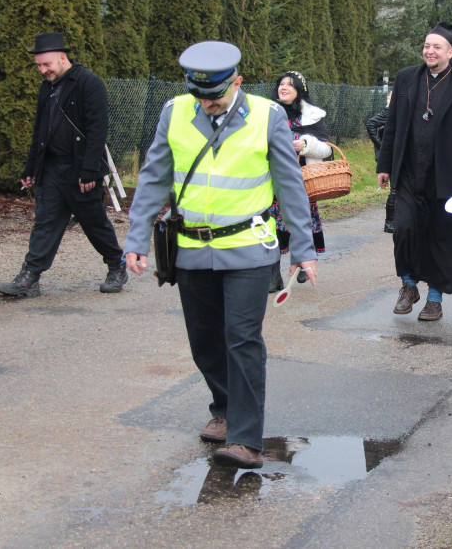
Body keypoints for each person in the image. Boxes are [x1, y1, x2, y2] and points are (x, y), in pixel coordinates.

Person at [123, 41, 318, 469]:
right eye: (201, 96)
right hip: (191, 249)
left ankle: (246, 439)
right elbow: (154, 177)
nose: (209, 104)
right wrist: (136, 238)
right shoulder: (174, 111)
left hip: (249, 248)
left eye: (217, 96)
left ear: (237, 81)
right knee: (205, 341)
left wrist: (303, 249)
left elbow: (289, 186)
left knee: (242, 338)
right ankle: (224, 408)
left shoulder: (269, 115)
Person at [0, 32, 126, 298]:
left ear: (62, 58)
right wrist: (31, 167)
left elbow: (97, 130)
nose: (43, 70)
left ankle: (117, 265)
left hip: (80, 169)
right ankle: (29, 278)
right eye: (39, 66)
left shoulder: (89, 83)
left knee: (94, 222)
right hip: (52, 167)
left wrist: (90, 169)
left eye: (47, 65)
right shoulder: (47, 88)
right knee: (45, 221)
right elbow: (39, 131)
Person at [376, 22, 452, 322]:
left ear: (450, 52)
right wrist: (384, 165)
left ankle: (435, 299)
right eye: (427, 45)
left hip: (450, 178)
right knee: (404, 229)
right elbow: (393, 126)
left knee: (442, 238)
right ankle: (409, 285)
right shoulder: (406, 79)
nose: (430, 51)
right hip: (410, 172)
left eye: (436, 47)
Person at [268, 70, 330, 292]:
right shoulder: (268, 113)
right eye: (281, 84)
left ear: (299, 91)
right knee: (271, 226)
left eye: (290, 85)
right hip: (271, 180)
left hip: (300, 181)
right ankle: (273, 276)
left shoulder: (311, 116)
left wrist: (305, 144)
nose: (283, 88)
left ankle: (303, 259)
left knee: (298, 222)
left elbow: (326, 149)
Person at [366, 97, 395, 234]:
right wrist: (381, 146)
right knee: (395, 189)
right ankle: (389, 222)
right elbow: (370, 123)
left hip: (398, 154)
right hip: (391, 156)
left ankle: (395, 221)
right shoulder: (391, 111)